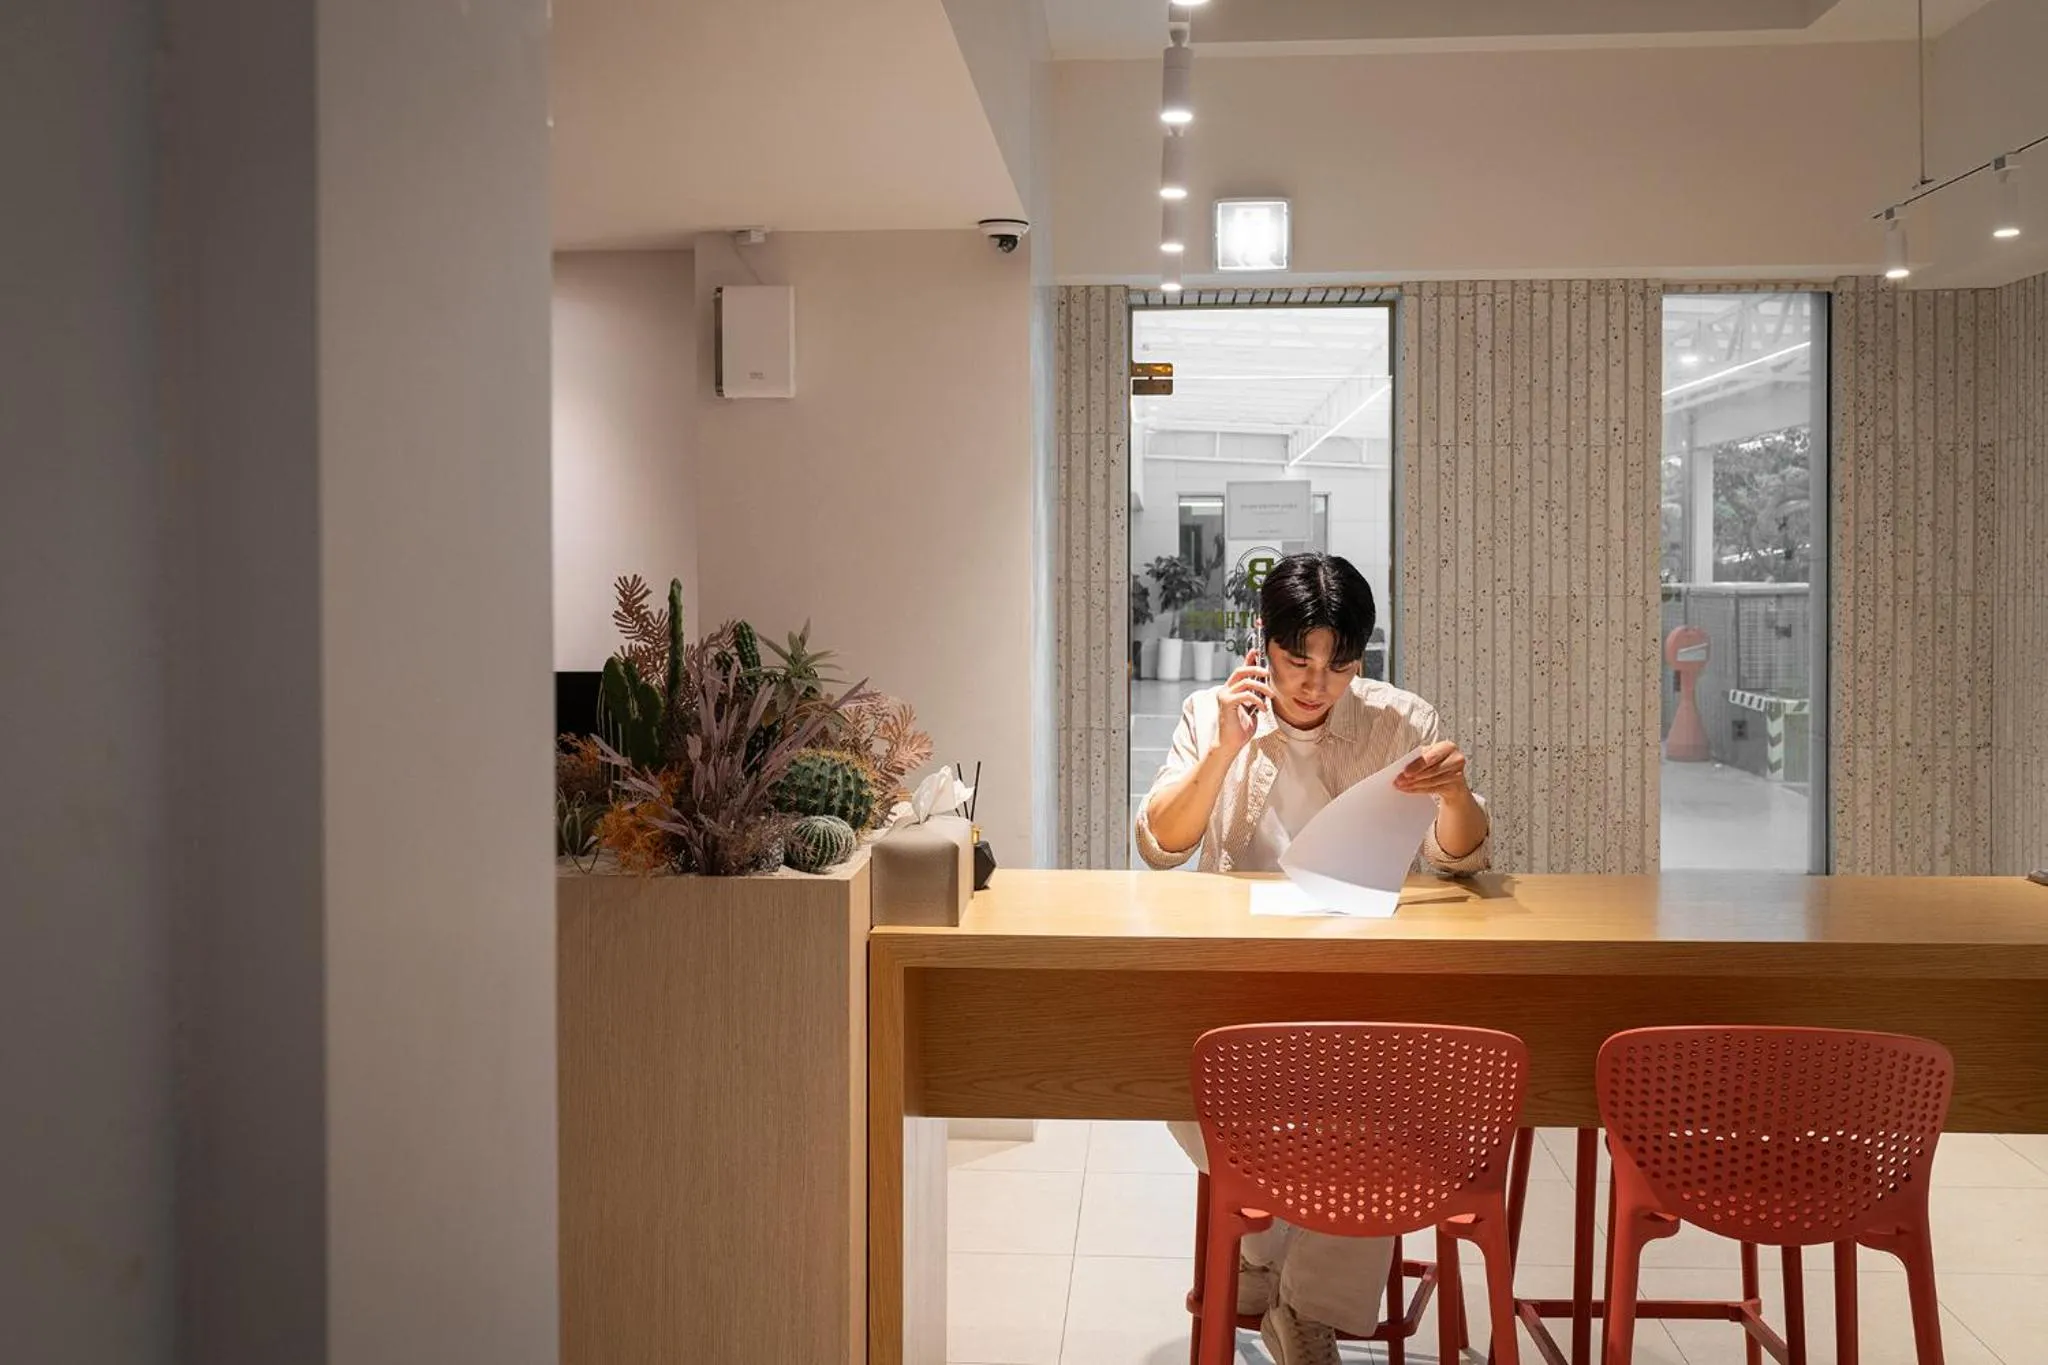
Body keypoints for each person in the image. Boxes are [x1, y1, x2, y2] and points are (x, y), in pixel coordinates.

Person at [1133, 551, 1491, 1365]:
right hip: (1242, 994)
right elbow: (1160, 844)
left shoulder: (1402, 720)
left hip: (1370, 991)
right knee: (1170, 1075)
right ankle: (1275, 1262)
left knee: (1395, 1101)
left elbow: (1461, 861)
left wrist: (1454, 796)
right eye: (1299, 660)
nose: (1314, 684)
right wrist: (1224, 749)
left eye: (1340, 666)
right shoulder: (1210, 711)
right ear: (1264, 642)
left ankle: (1304, 1309)